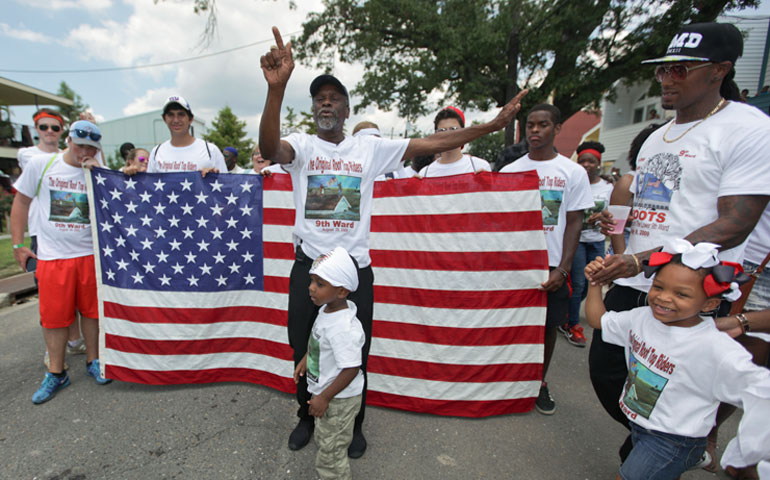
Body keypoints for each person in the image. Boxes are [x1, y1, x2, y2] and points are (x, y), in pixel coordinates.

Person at [258, 26, 527, 457]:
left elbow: (435, 140)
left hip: (355, 273)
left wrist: (491, 126)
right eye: (319, 97)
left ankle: (355, 424)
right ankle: (306, 415)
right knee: (303, 344)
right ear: (312, 109)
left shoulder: (369, 149)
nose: (326, 102)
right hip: (308, 268)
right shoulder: (302, 145)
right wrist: (276, 90)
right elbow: (270, 147)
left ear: (346, 109)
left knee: (354, 350)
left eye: (335, 97)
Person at [587, 22, 770, 464]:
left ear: (720, 71)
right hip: (640, 279)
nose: (668, 79)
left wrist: (640, 259)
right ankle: (664, 440)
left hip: (693, 288)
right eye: (663, 70)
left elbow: (735, 224)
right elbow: (655, 213)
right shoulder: (654, 137)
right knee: (609, 371)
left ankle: (665, 445)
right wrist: (623, 250)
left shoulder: (749, 128)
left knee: (675, 378)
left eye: (682, 69)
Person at [584, 239, 770, 480]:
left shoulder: (715, 346)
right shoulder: (642, 318)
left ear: (710, 303)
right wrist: (595, 284)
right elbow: (599, 320)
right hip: (641, 426)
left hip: (672, 440)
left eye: (681, 294)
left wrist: (750, 451)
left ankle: (693, 453)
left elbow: (760, 389)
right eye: (659, 287)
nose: (664, 298)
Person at [499, 104, 594, 414]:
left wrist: (564, 268)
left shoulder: (573, 172)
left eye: (542, 125)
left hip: (553, 262)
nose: (535, 131)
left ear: (557, 129)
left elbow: (575, 222)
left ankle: (539, 382)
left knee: (548, 326)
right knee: (510, 323)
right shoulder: (510, 171)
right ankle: (507, 379)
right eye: (530, 126)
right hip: (515, 263)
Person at [10, 120, 112, 404]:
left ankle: (94, 360)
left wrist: (96, 170)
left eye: (90, 148)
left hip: (89, 254)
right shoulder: (42, 165)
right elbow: (21, 203)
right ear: (69, 140)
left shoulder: (95, 171)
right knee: (55, 318)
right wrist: (18, 244)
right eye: (79, 145)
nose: (83, 152)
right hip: (54, 256)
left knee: (91, 313)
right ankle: (56, 371)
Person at [17, 109, 87, 365]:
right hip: (42, 238)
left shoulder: (77, 158)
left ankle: (75, 341)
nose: (49, 132)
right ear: (36, 129)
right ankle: (53, 353)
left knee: (80, 301)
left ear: (62, 133)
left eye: (54, 128)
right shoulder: (30, 157)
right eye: (43, 127)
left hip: (78, 243)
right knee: (54, 303)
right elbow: (21, 200)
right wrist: (18, 243)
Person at [294, 247, 365, 480]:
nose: (311, 287)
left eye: (320, 284)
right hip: (327, 393)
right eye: (312, 280)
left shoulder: (343, 328)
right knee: (327, 439)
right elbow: (321, 340)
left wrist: (324, 397)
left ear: (342, 290)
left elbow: (351, 368)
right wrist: (307, 357)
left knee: (331, 453)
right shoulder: (327, 309)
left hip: (338, 400)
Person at [561, 141, 613, 347]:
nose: (587, 165)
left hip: (598, 241)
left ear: (598, 164)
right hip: (578, 241)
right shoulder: (572, 183)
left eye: (591, 161)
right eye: (582, 161)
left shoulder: (607, 187)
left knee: (593, 284)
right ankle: (572, 324)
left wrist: (602, 216)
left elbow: (614, 211)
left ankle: (568, 311)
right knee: (580, 282)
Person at [128, 96, 226, 175]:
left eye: (181, 114)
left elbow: (226, 188)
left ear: (190, 119)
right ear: (164, 119)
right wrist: (129, 177)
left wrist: (215, 178)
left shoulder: (210, 151)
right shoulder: (156, 152)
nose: (176, 120)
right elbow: (149, 190)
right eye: (171, 115)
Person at [607, 124, 662, 255]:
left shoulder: (666, 182)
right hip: (628, 245)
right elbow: (615, 225)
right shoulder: (629, 180)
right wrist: (622, 259)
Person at [417, 106, 492, 177]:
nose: (448, 134)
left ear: (463, 132)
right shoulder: (425, 173)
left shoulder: (478, 166)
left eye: (453, 129)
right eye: (442, 130)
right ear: (436, 135)